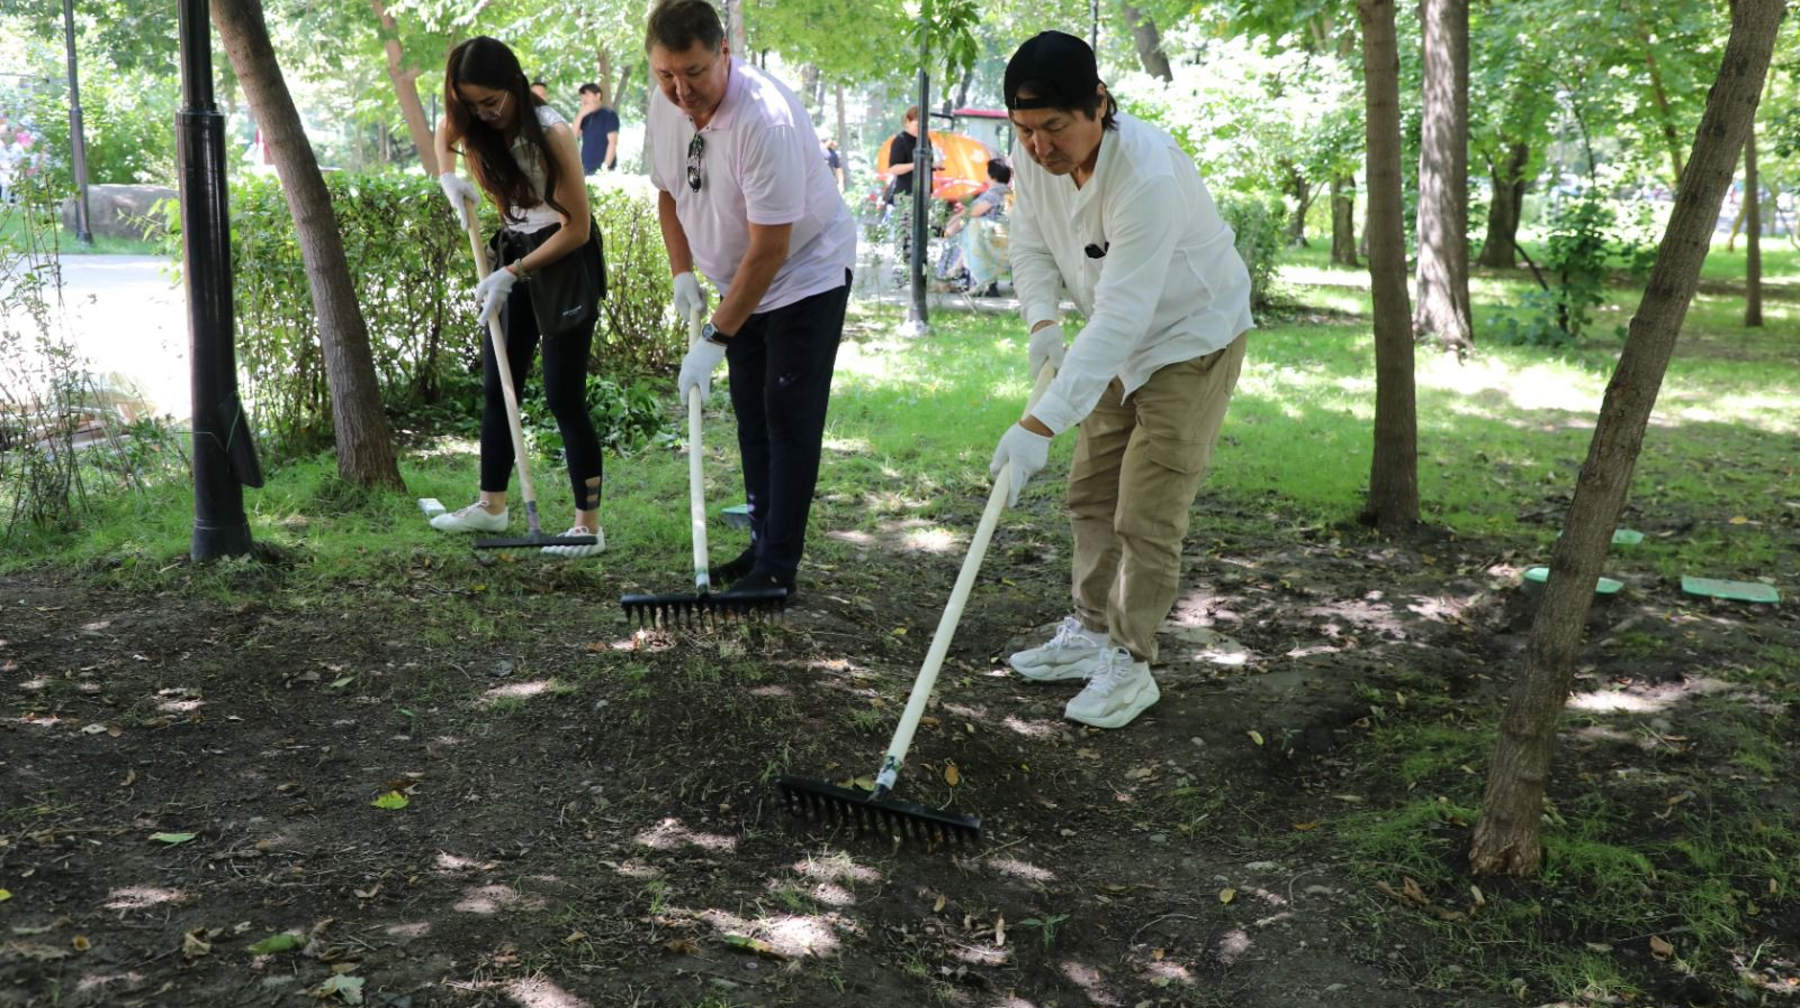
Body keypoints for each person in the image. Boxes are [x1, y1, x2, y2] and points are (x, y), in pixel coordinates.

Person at [991, 31, 1252, 729]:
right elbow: (1030, 242)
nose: (1039, 146)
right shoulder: (1034, 155)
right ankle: (1089, 630)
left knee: (1147, 506)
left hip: (1191, 338)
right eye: (1025, 129)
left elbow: (1127, 314)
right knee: (1091, 492)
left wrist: (1039, 421)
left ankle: (1130, 660)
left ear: (1099, 104)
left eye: (1054, 127)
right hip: (1115, 340)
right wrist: (1043, 324)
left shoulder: (1147, 176)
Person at [644, 0, 855, 600]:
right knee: (751, 414)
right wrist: (683, 270)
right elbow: (668, 192)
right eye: (665, 75)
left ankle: (777, 570)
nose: (680, 90)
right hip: (739, 282)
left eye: (693, 73)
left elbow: (771, 248)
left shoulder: (765, 119)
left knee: (788, 413)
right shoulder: (664, 105)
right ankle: (762, 544)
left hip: (803, 274)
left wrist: (714, 338)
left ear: (724, 55)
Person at [430, 36, 608, 558]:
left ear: (513, 84)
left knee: (563, 395)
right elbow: (445, 130)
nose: (482, 115)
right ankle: (492, 506)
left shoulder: (551, 131)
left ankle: (588, 526)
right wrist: (448, 176)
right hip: (513, 252)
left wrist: (513, 272)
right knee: (497, 388)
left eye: (491, 102)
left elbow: (577, 227)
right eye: (472, 105)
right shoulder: (471, 118)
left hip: (562, 260)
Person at [936, 157, 1011, 294]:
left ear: (992, 175)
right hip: (991, 232)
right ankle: (953, 278)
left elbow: (976, 212)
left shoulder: (996, 191)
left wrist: (958, 217)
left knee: (955, 242)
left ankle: (948, 278)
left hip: (990, 234)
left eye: (986, 172)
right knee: (958, 237)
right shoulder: (1004, 191)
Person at [577, 83, 622, 174]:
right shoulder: (585, 117)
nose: (584, 99)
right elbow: (573, 135)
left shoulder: (608, 114)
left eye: (587, 95)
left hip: (603, 169)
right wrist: (580, 114)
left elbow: (613, 142)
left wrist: (605, 167)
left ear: (598, 96)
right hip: (585, 168)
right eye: (582, 97)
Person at [882, 106, 920, 208]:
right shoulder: (900, 141)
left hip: (922, 195)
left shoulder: (925, 141)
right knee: (906, 224)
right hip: (904, 194)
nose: (920, 128)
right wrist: (915, 165)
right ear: (908, 121)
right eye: (917, 125)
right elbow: (893, 169)